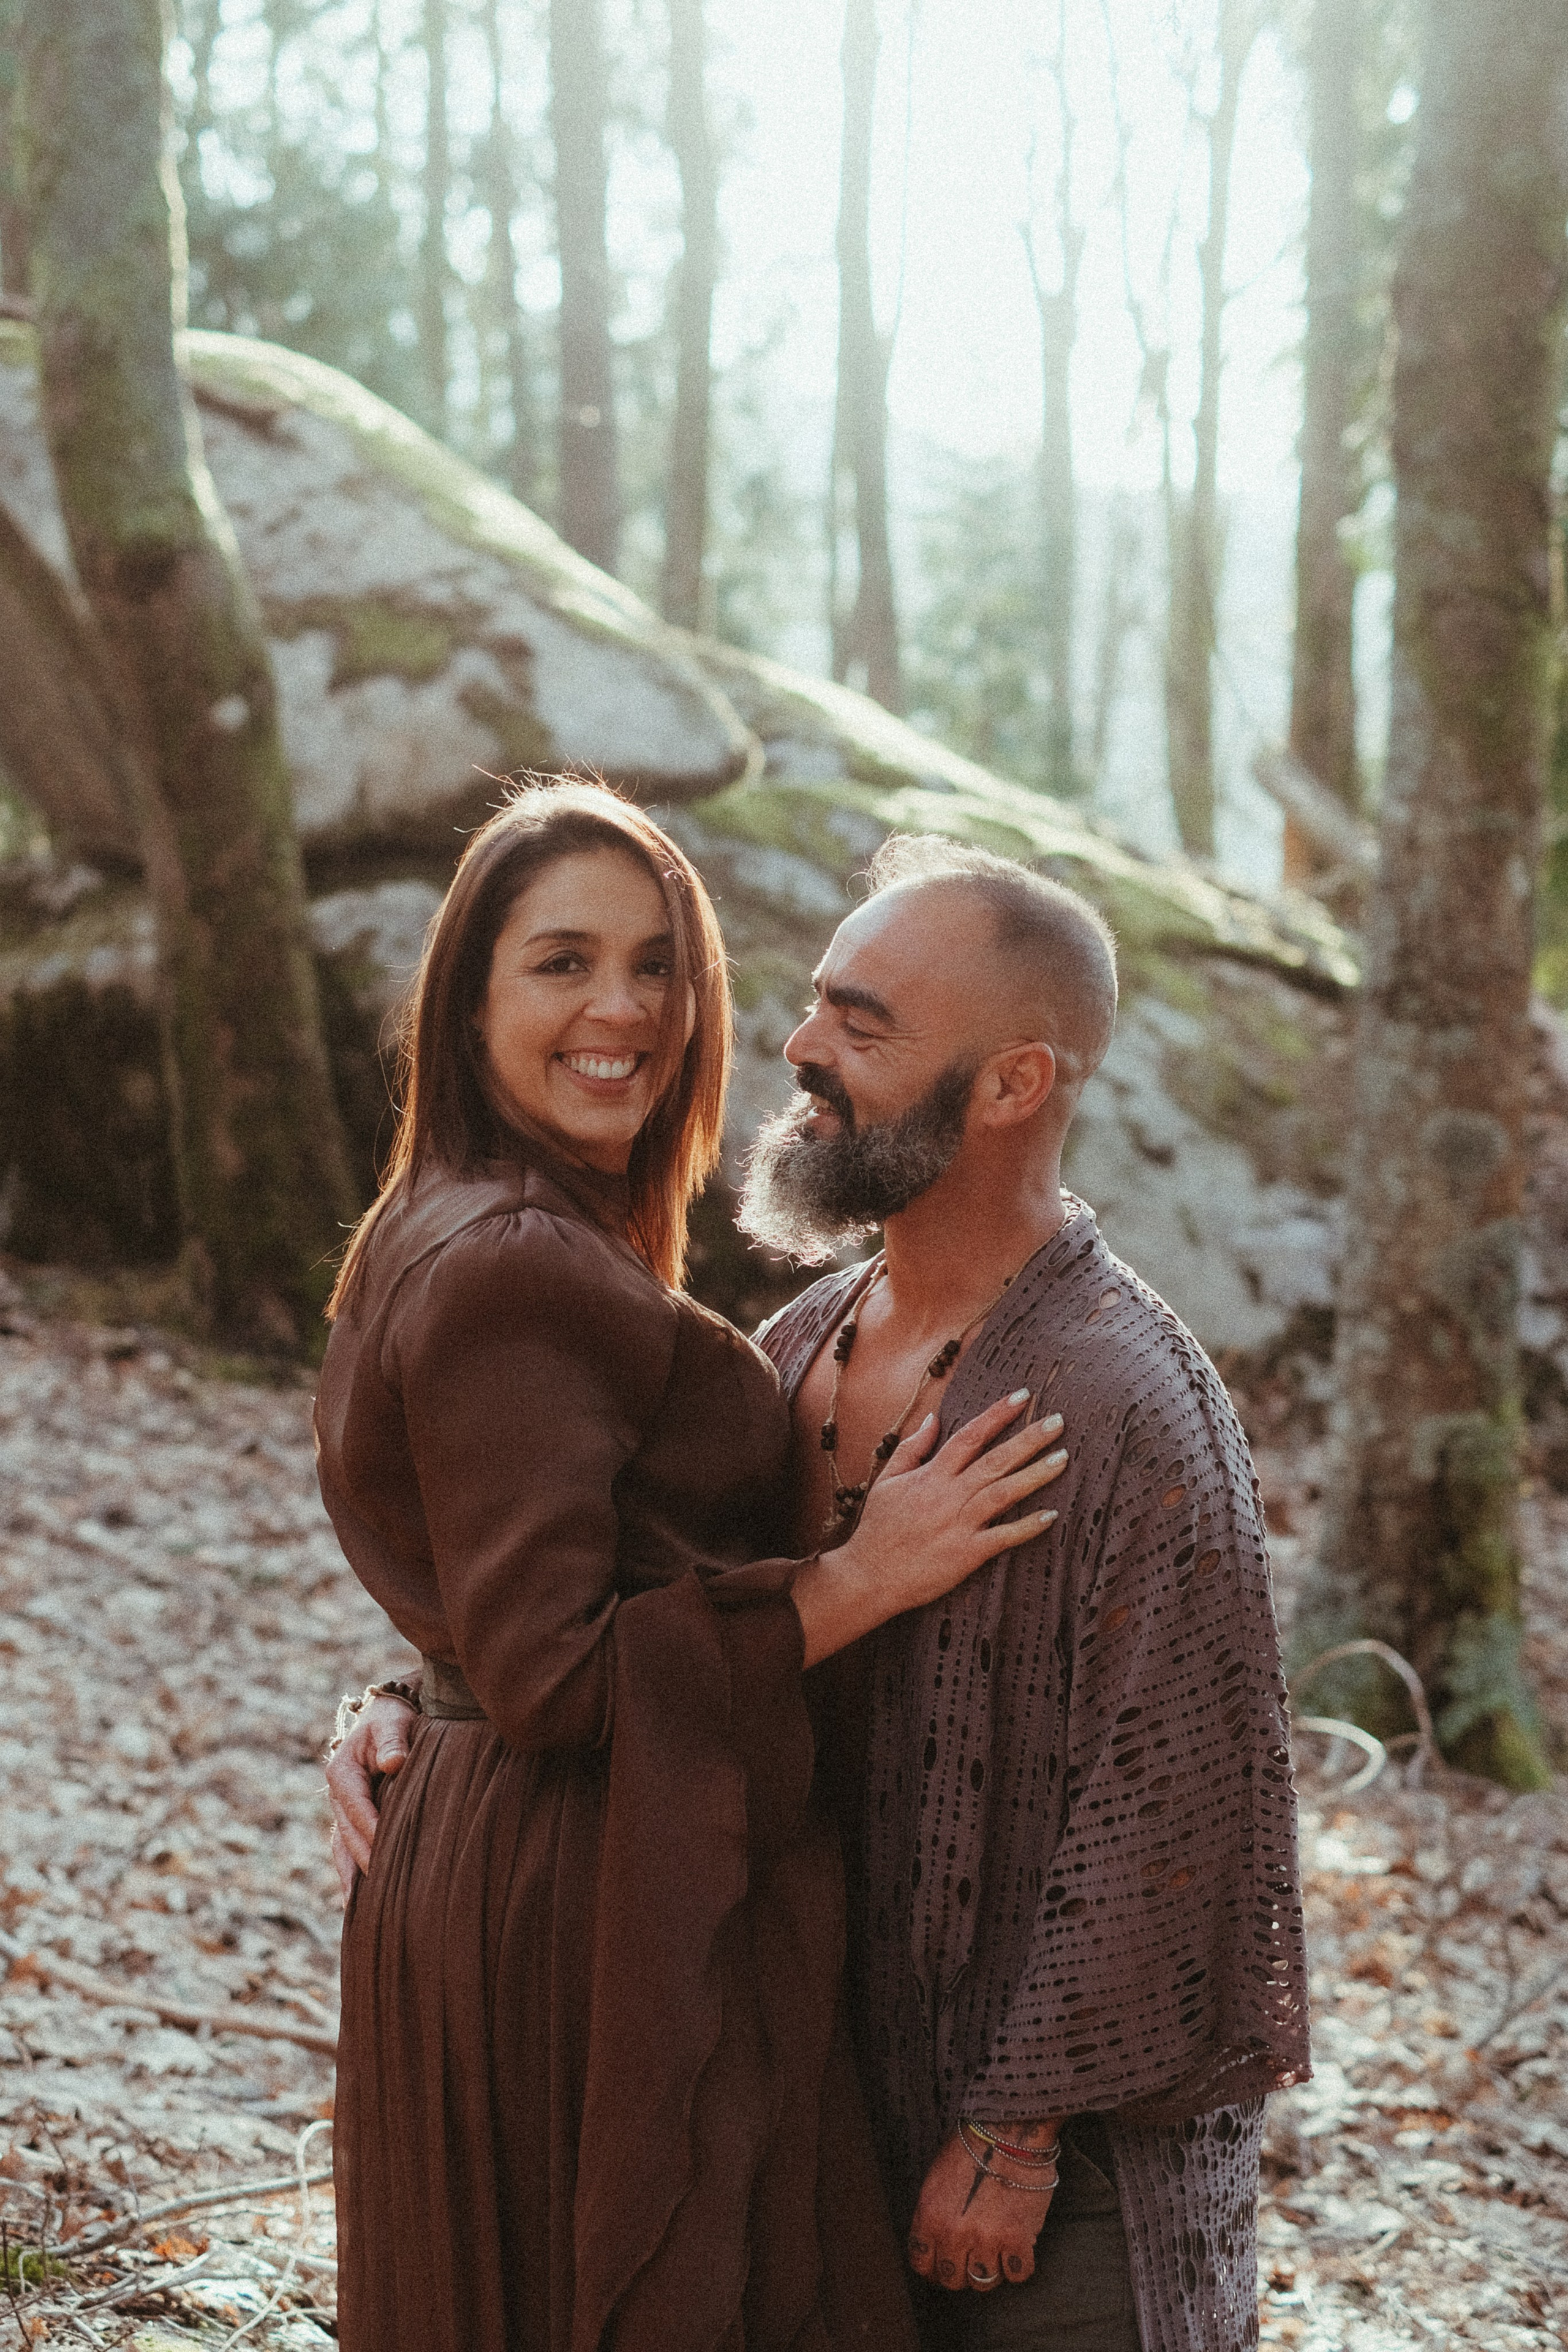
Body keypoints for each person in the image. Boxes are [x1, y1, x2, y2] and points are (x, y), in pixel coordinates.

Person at [333, 831, 1311, 2352]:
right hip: (821, 2101)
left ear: (1007, 1086)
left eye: (861, 1024)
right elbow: (614, 1598)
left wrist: (1015, 2135)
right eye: (812, 1004)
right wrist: (417, 1702)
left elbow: (1179, 1818)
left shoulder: (1123, 1400)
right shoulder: (796, 1347)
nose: (793, 1048)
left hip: (1045, 2188)